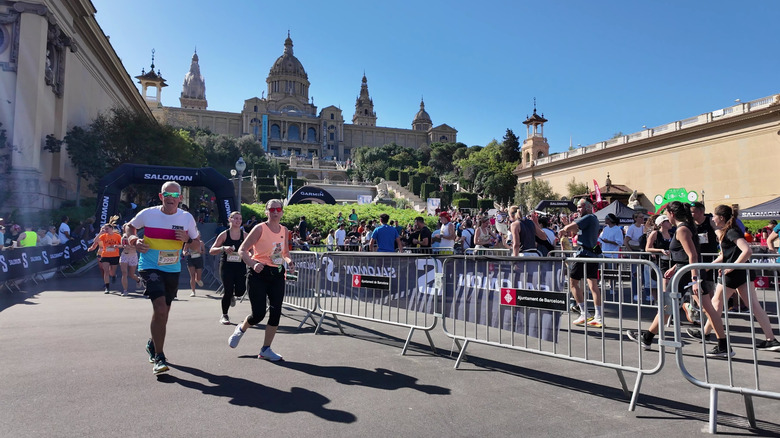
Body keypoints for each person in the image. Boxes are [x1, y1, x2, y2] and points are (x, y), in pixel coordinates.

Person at [625, 201, 730, 358]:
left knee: (668, 307)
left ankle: (647, 338)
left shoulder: (682, 229)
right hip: (685, 272)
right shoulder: (686, 228)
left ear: (671, 214)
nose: (666, 216)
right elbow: (685, 254)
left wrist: (694, 278)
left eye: (666, 213)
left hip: (687, 275)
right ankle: (723, 344)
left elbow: (692, 255)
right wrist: (676, 267)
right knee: (704, 308)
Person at [126, 182, 200, 375]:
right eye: (166, 194)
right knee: (159, 308)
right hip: (149, 266)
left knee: (164, 313)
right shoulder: (148, 214)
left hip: (172, 269)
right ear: (161, 196)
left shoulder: (186, 218)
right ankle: (159, 357)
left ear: (180, 198)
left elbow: (197, 246)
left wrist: (188, 240)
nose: (170, 197)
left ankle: (152, 342)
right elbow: (129, 227)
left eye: (174, 194)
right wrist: (134, 240)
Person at [688, 205, 780, 352]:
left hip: (734, 273)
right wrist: (707, 267)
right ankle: (771, 339)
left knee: (717, 303)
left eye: (715, 216)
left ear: (721, 218)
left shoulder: (731, 232)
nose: (712, 218)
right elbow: (724, 255)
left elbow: (747, 250)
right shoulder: (728, 232)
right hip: (741, 271)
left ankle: (705, 333)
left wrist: (732, 267)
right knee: (752, 305)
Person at [229, 200, 295, 362]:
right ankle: (241, 328)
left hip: (277, 274)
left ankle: (266, 349)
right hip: (258, 273)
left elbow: (284, 252)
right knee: (258, 315)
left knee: (275, 312)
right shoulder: (260, 228)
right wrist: (253, 263)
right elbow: (242, 250)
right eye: (271, 209)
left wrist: (289, 261)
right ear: (266, 212)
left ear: (282, 212)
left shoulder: (284, 230)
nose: (275, 212)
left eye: (278, 209)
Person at [558, 199, 604, 327]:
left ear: (588, 207)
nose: (578, 210)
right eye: (577, 207)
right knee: (593, 286)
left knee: (573, 283)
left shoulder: (588, 217)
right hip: (592, 255)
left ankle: (584, 313)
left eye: (580, 207)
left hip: (584, 254)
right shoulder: (592, 219)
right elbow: (576, 230)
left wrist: (564, 229)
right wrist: (568, 225)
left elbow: (572, 228)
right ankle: (598, 316)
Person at [210, 211, 247, 324]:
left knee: (241, 291)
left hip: (240, 266)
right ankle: (224, 315)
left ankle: (232, 294)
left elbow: (252, 249)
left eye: (240, 219)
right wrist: (223, 248)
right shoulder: (224, 234)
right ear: (230, 219)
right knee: (227, 290)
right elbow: (211, 250)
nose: (238, 221)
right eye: (235, 218)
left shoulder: (245, 235)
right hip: (227, 266)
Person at [88, 220, 121, 294]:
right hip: (105, 255)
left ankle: (113, 276)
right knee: (105, 271)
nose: (105, 230)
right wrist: (100, 233)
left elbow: (122, 245)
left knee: (111, 271)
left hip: (114, 255)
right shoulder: (103, 236)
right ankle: (107, 287)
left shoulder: (117, 236)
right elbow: (95, 240)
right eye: (104, 229)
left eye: (107, 229)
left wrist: (116, 246)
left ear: (111, 229)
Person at [119, 223, 142, 296]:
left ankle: (138, 280)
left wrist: (132, 246)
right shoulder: (123, 237)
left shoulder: (135, 238)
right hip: (124, 255)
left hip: (133, 255)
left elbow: (138, 247)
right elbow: (123, 245)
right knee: (124, 273)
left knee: (131, 274)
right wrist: (123, 246)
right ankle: (125, 290)